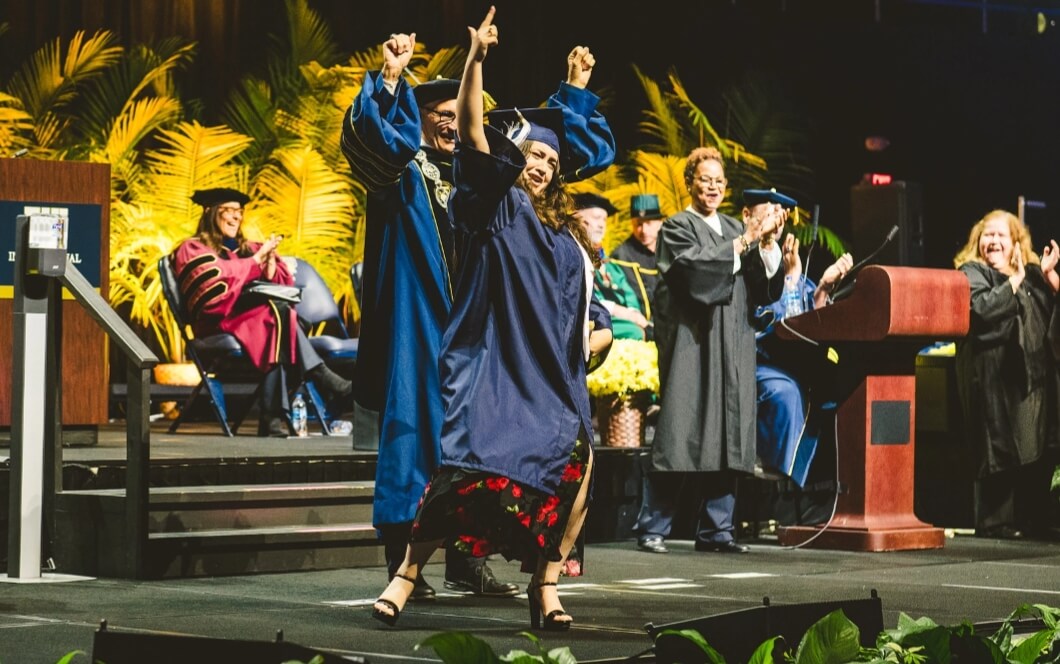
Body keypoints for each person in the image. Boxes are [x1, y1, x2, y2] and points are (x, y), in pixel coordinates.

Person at [370, 6, 615, 630]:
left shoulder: (562, 236)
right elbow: (479, 134)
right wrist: (475, 60)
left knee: (578, 461)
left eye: (551, 163)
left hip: (542, 372)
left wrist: (600, 325)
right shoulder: (478, 196)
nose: (541, 165)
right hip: (480, 356)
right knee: (458, 464)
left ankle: (545, 586)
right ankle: (405, 572)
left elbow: (582, 293)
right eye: (532, 154)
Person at [339, 32, 517, 598]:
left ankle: (467, 563)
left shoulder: (474, 175)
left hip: (471, 332)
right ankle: (402, 567)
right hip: (417, 331)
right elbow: (373, 138)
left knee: (474, 446)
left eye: (454, 114)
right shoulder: (401, 172)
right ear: (417, 119)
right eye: (438, 114)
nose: (449, 123)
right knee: (414, 444)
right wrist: (391, 78)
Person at [633, 148, 781, 555]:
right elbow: (690, 272)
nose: (712, 187)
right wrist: (747, 239)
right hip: (694, 342)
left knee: (729, 435)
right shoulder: (677, 227)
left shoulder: (735, 225)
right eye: (705, 179)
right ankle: (653, 527)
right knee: (683, 428)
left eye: (719, 181)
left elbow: (762, 285)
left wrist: (768, 247)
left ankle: (717, 531)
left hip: (734, 342)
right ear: (690, 183)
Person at [172, 188, 352, 437]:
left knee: (281, 317)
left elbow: (280, 285)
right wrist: (254, 262)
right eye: (229, 211)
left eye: (239, 211)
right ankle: (317, 380)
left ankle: (274, 416)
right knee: (284, 319)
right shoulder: (192, 248)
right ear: (210, 212)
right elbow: (213, 289)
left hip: (258, 320)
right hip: (219, 322)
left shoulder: (248, 248)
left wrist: (268, 265)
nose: (236, 217)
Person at [953, 209, 1059, 539]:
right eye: (988, 235)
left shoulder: (1032, 274)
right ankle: (995, 523)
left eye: (1001, 235)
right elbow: (982, 311)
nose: (994, 241)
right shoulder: (971, 273)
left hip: (1032, 379)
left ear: (1016, 241)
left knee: (1037, 446)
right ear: (977, 241)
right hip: (992, 378)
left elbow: (1048, 323)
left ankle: (1033, 519)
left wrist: (1051, 282)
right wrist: (1013, 281)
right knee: (998, 447)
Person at [742, 188, 853, 487]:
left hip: (796, 368)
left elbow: (812, 327)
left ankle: (827, 489)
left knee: (839, 391)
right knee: (787, 392)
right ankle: (779, 475)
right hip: (756, 365)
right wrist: (790, 278)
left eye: (780, 216)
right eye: (769, 213)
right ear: (747, 216)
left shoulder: (793, 268)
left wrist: (822, 291)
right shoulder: (747, 261)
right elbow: (775, 327)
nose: (776, 222)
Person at [573, 192, 650, 340]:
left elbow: (627, 291)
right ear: (579, 219)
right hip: (591, 318)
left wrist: (633, 312)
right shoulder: (574, 254)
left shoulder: (607, 262)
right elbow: (582, 297)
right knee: (635, 332)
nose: (602, 224)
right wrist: (616, 310)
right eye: (596, 218)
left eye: (604, 219)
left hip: (619, 319)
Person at [610, 193, 665, 323]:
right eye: (638, 224)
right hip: (640, 326)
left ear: (660, 223)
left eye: (649, 223)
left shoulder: (671, 250)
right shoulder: (620, 256)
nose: (643, 230)